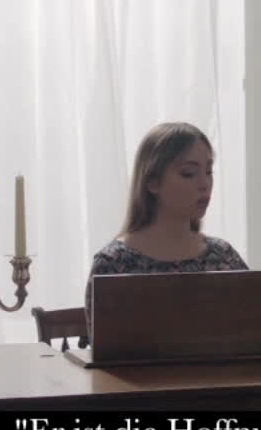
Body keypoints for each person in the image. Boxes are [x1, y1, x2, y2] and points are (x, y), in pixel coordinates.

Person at [84, 122, 247, 337]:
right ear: (152, 182)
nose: (205, 184)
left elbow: (257, 329)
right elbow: (105, 349)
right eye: (188, 173)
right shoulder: (114, 263)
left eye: (209, 171)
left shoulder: (224, 256)